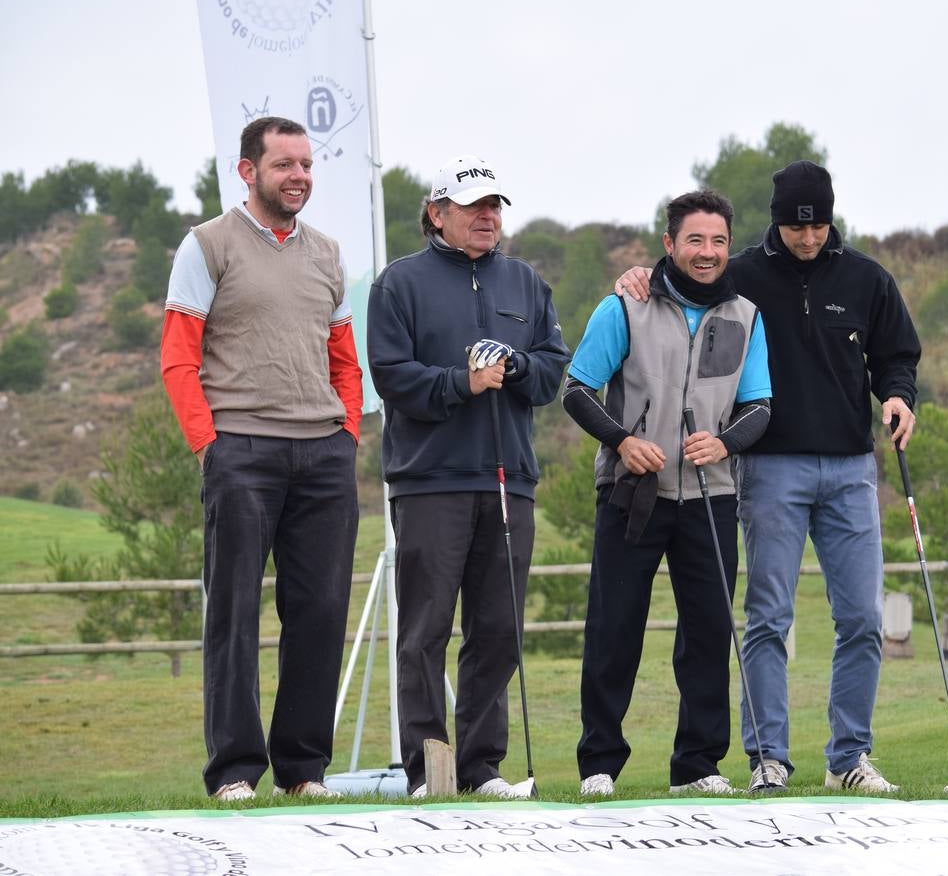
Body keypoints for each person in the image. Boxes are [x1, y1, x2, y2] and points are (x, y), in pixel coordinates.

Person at [616, 161, 921, 794]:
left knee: (862, 618)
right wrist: (641, 272)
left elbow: (897, 356)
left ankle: (849, 759)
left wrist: (897, 395)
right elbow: (683, 271)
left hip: (849, 467)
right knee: (767, 617)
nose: (807, 239)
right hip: (768, 468)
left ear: (831, 220)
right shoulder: (742, 274)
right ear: (777, 220)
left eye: (817, 227)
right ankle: (769, 759)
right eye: (794, 227)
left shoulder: (867, 278)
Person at [161, 116, 363, 801]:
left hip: (324, 456)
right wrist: (208, 445)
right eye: (285, 165)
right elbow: (178, 357)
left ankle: (303, 771)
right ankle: (235, 773)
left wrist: (348, 436)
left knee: (322, 611)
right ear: (248, 170)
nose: (299, 175)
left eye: (306, 164)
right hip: (240, 452)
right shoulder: (208, 245)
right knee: (235, 613)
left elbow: (344, 358)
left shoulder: (330, 253)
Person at [366, 155, 569, 798]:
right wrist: (463, 382)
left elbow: (550, 374)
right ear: (437, 213)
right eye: (473, 206)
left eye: (495, 206)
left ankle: (482, 769)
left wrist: (513, 366)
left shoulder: (525, 284)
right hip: (430, 481)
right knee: (425, 630)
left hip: (510, 480)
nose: (488, 217)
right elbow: (392, 377)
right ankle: (429, 772)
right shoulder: (399, 284)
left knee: (497, 630)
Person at [564, 190, 771, 797]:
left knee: (709, 631)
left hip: (711, 492)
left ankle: (698, 766)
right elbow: (577, 390)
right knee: (614, 627)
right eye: (695, 240)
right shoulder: (623, 306)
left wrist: (726, 444)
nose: (707, 253)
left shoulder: (746, 316)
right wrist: (623, 442)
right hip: (634, 491)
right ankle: (599, 763)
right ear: (670, 244)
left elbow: (760, 405)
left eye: (718, 242)